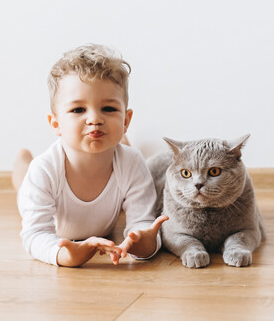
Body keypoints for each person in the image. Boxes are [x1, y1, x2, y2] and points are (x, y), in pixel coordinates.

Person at [13, 44, 168, 267]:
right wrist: (64, 255)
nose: (95, 119)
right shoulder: (44, 170)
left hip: (119, 156)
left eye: (108, 109)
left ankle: (121, 140)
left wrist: (144, 243)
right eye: (78, 110)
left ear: (126, 120)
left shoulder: (133, 163)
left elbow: (142, 223)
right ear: (56, 123)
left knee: (124, 152)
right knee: (24, 186)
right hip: (41, 188)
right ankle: (23, 159)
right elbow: (35, 233)